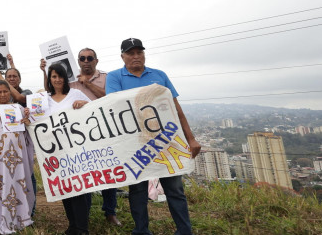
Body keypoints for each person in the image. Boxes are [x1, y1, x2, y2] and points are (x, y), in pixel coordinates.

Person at [106, 38, 201, 235]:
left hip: (167, 141)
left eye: (139, 52)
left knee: (174, 189)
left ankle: (184, 230)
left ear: (144, 54)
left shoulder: (160, 75)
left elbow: (176, 109)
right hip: (135, 144)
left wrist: (191, 138)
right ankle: (141, 230)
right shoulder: (115, 77)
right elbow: (114, 105)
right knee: (137, 190)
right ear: (122, 56)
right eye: (130, 53)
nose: (135, 56)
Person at [27, 62, 92, 235]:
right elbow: (36, 122)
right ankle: (72, 226)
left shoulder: (76, 93)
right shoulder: (43, 99)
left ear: (65, 77)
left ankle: (82, 229)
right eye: (53, 76)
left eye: (60, 76)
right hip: (55, 152)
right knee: (65, 188)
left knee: (78, 189)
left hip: (77, 150)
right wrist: (27, 117)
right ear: (49, 78)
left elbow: (94, 111)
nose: (57, 80)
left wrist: (83, 103)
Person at [66, 47, 121, 226]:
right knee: (85, 172)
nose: (86, 61)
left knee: (108, 172)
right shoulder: (71, 81)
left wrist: (88, 84)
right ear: (78, 61)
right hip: (80, 135)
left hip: (104, 131)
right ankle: (84, 215)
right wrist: (45, 72)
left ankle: (110, 213)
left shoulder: (107, 78)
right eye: (82, 58)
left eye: (90, 58)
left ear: (96, 60)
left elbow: (111, 100)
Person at [0, 80, 36, 233]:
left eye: (5, 91)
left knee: (17, 183)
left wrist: (28, 120)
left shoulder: (18, 109)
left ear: (10, 92)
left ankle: (19, 218)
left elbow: (28, 130)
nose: (3, 95)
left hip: (17, 159)